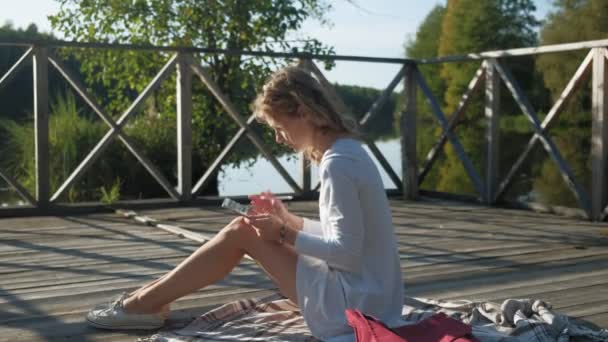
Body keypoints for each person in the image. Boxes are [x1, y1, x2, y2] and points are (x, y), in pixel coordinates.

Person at [86, 65, 404, 341]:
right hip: (374, 300)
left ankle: (141, 305)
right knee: (243, 228)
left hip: (350, 311)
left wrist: (282, 234)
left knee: (242, 230)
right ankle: (145, 302)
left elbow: (346, 254)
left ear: (304, 112)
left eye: (279, 128)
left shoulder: (337, 165)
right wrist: (288, 219)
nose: (279, 139)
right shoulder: (351, 151)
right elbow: (352, 237)